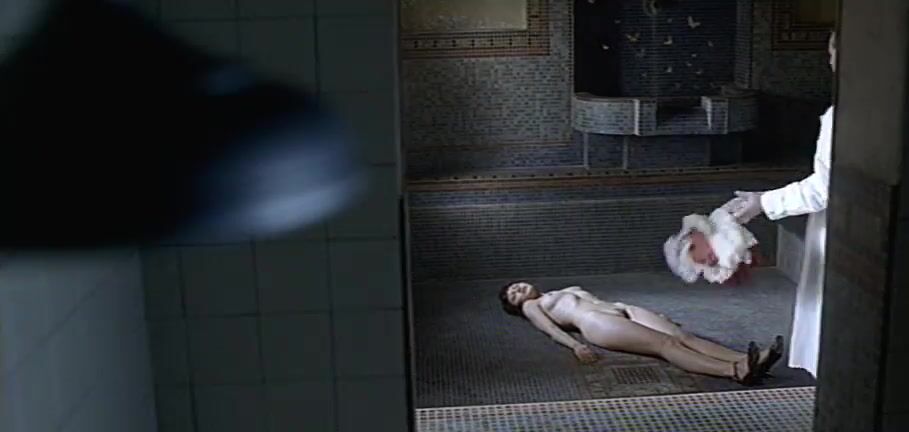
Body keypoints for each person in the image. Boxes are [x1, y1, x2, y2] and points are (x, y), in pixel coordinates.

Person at [721, 32, 837, 378]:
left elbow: (825, 187)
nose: (830, 62)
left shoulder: (847, 116)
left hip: (850, 229)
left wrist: (763, 202)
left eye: (832, 52)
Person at [498, 282, 783, 385]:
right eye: (513, 295)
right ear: (517, 306)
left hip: (621, 309)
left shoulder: (556, 291)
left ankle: (746, 359)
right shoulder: (532, 306)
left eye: (515, 286)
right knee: (667, 345)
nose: (517, 290)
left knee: (684, 337)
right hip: (596, 323)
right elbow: (550, 329)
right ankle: (733, 371)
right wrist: (575, 346)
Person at [663, 206, 761, 285]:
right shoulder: (727, 257)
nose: (709, 263)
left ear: (692, 243)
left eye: (702, 260)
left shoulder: (719, 221)